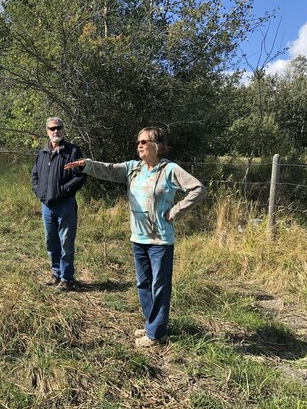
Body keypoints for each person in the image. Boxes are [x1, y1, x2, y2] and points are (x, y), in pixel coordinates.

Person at [64, 127, 206, 346]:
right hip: (138, 238)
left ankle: (156, 335)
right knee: (143, 284)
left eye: (144, 142)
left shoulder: (169, 170)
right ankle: (153, 325)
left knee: (159, 287)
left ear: (157, 146)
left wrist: (175, 211)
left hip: (160, 240)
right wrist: (87, 165)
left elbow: (198, 188)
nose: (139, 145)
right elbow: (109, 170)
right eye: (138, 141)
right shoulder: (133, 168)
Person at [32, 117, 87, 291]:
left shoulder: (72, 151)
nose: (56, 131)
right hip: (47, 206)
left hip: (65, 205)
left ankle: (67, 278)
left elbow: (80, 176)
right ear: (47, 131)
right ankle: (56, 274)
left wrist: (63, 191)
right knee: (51, 241)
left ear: (63, 129)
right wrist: (39, 192)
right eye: (52, 128)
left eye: (59, 128)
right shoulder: (42, 153)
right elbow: (35, 176)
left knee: (66, 242)